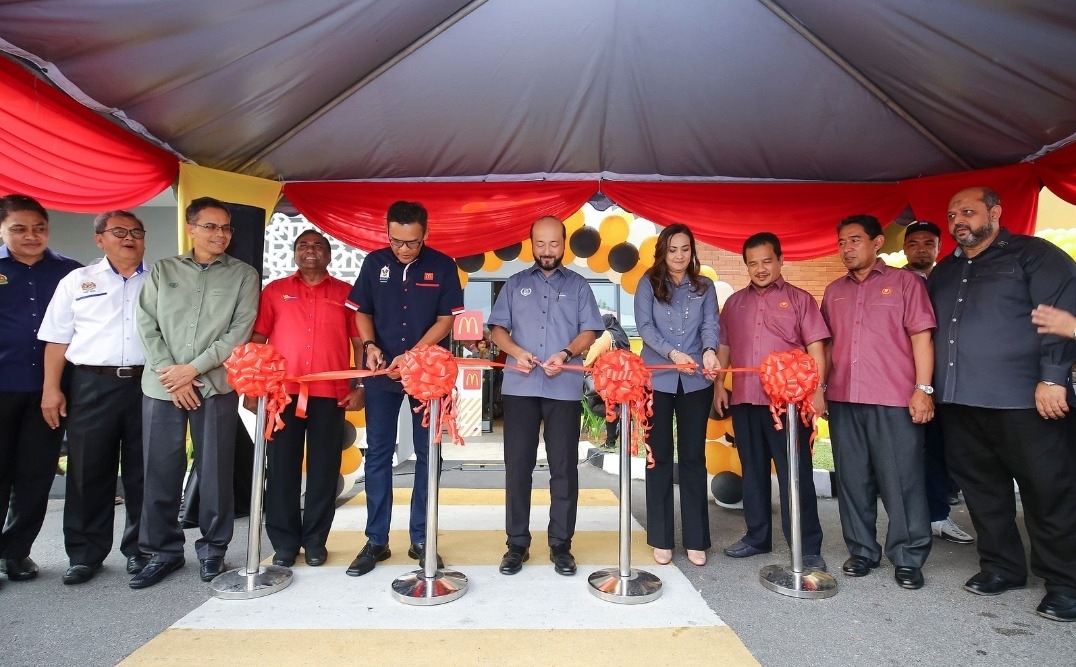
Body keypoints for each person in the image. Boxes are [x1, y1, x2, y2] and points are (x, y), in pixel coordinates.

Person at [928, 186, 1076, 622]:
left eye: (969, 211)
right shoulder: (945, 270)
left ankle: (1065, 582)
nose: (959, 220)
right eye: (953, 213)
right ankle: (1002, 567)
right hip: (960, 401)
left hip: (1026, 401)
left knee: (1048, 490)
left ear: (995, 212)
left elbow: (1061, 317)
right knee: (982, 491)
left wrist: (1052, 377)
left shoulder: (1035, 256)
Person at [132, 196, 260, 589]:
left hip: (214, 387)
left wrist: (193, 370)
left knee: (216, 472)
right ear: (191, 229)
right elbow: (146, 323)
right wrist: (174, 375)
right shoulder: (164, 270)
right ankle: (163, 552)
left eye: (225, 228)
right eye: (210, 226)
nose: (219, 234)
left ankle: (213, 551)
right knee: (159, 470)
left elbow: (238, 333)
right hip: (162, 388)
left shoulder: (243, 275)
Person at [344, 201, 463, 576]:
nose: (404, 249)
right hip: (381, 375)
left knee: (430, 455)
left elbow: (446, 320)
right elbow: (361, 311)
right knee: (378, 453)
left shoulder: (443, 266)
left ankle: (422, 538)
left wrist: (412, 357)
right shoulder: (373, 262)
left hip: (427, 375)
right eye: (396, 241)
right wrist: (370, 346)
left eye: (411, 242)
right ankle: (376, 540)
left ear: (426, 233)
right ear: (387, 233)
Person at [821, 214, 935, 590]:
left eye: (854, 240)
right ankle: (862, 551)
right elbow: (825, 346)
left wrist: (924, 388)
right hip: (844, 397)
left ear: (877, 242)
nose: (847, 248)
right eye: (841, 242)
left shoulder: (905, 284)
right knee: (853, 479)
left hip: (894, 399)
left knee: (901, 480)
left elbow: (921, 338)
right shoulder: (834, 290)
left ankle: (907, 556)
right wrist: (819, 388)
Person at [38, 211, 151, 585]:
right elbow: (57, 339)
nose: (129, 238)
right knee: (88, 471)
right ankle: (85, 554)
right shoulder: (77, 281)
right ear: (99, 239)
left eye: (136, 232)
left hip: (145, 383)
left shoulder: (160, 279)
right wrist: (51, 389)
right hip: (90, 383)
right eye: (119, 232)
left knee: (144, 471)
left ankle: (141, 549)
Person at [488, 216, 603, 576]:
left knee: (564, 469)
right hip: (520, 387)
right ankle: (516, 544)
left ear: (564, 244)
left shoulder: (580, 286)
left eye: (554, 244)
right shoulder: (514, 284)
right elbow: (496, 330)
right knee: (518, 468)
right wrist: (516, 351)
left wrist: (566, 354)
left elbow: (590, 331)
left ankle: (561, 545)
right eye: (541, 243)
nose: (547, 251)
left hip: (563, 388)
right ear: (531, 243)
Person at [250, 230, 364, 568]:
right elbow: (258, 339)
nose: (309, 251)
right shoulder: (275, 292)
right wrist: (253, 385)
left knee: (324, 471)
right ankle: (284, 544)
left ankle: (315, 541)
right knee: (282, 468)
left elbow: (359, 342)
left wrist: (360, 386)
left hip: (331, 396)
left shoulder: (346, 294)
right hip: (282, 396)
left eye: (317, 246)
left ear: (329, 255)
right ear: (295, 254)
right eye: (303, 245)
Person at [715, 232, 828, 570]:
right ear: (746, 265)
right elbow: (724, 348)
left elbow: (816, 349)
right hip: (746, 400)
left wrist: (818, 388)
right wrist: (720, 384)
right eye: (753, 263)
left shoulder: (800, 299)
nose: (760, 269)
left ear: (780, 260)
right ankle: (757, 537)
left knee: (796, 472)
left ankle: (807, 546)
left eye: (767, 261)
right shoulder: (734, 303)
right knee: (753, 471)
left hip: (790, 404)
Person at [0, 194, 82, 585]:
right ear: (3, 230)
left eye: (39, 228)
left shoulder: (70, 273)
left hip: (51, 393)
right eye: (19, 228)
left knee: (35, 474)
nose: (31, 236)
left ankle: (17, 553)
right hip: (2, 387)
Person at [635, 223, 719, 566]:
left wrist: (710, 350)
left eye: (685, 249)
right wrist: (672, 354)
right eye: (673, 249)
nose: (679, 255)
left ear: (692, 251)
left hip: (697, 380)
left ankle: (696, 539)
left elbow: (710, 324)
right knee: (658, 458)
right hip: (658, 378)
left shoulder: (705, 286)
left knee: (693, 458)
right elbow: (645, 328)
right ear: (663, 251)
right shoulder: (647, 283)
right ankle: (662, 537)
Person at [900, 220, 974, 546]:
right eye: (914, 243)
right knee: (917, 452)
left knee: (948, 450)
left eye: (928, 244)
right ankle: (916, 522)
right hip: (912, 382)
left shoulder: (949, 279)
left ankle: (939, 516)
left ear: (938, 248)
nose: (921, 249)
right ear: (905, 248)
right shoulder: (896, 282)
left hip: (952, 381)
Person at [583, 313, 631, 449]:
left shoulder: (606, 335)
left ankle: (619, 416)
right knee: (611, 408)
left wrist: (586, 367)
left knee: (594, 405)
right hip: (622, 380)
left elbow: (594, 353)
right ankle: (610, 441)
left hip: (606, 379)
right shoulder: (622, 336)